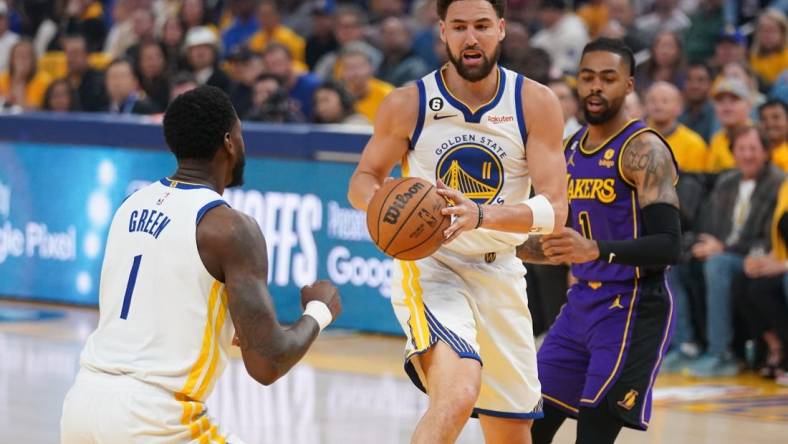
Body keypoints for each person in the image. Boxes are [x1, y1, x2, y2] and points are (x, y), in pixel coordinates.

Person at [60, 86, 342, 443]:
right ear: (228, 141)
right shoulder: (231, 228)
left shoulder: (130, 204)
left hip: (82, 404)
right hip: (155, 419)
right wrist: (320, 310)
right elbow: (267, 364)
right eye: (240, 134)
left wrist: (224, 321)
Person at [348, 1, 568, 442]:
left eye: (482, 26)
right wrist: (382, 205)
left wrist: (481, 215)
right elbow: (364, 179)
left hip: (501, 271)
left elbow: (555, 210)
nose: (472, 38)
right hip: (433, 267)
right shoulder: (408, 102)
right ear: (442, 31)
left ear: (501, 29)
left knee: (511, 432)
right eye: (461, 27)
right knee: (457, 392)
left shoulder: (535, 102)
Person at [519, 38, 681, 444]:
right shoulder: (572, 149)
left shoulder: (643, 149)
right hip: (579, 308)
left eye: (608, 79)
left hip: (631, 306)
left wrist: (596, 250)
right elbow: (560, 247)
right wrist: (487, 244)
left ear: (628, 86)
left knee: (592, 433)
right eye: (588, 77)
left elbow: (669, 245)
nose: (595, 87)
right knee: (525, 424)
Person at [644, 81, 708, 173]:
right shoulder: (633, 138)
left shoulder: (693, 143)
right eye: (652, 101)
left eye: (665, 101)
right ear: (645, 106)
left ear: (679, 107)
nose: (658, 106)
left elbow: (695, 183)